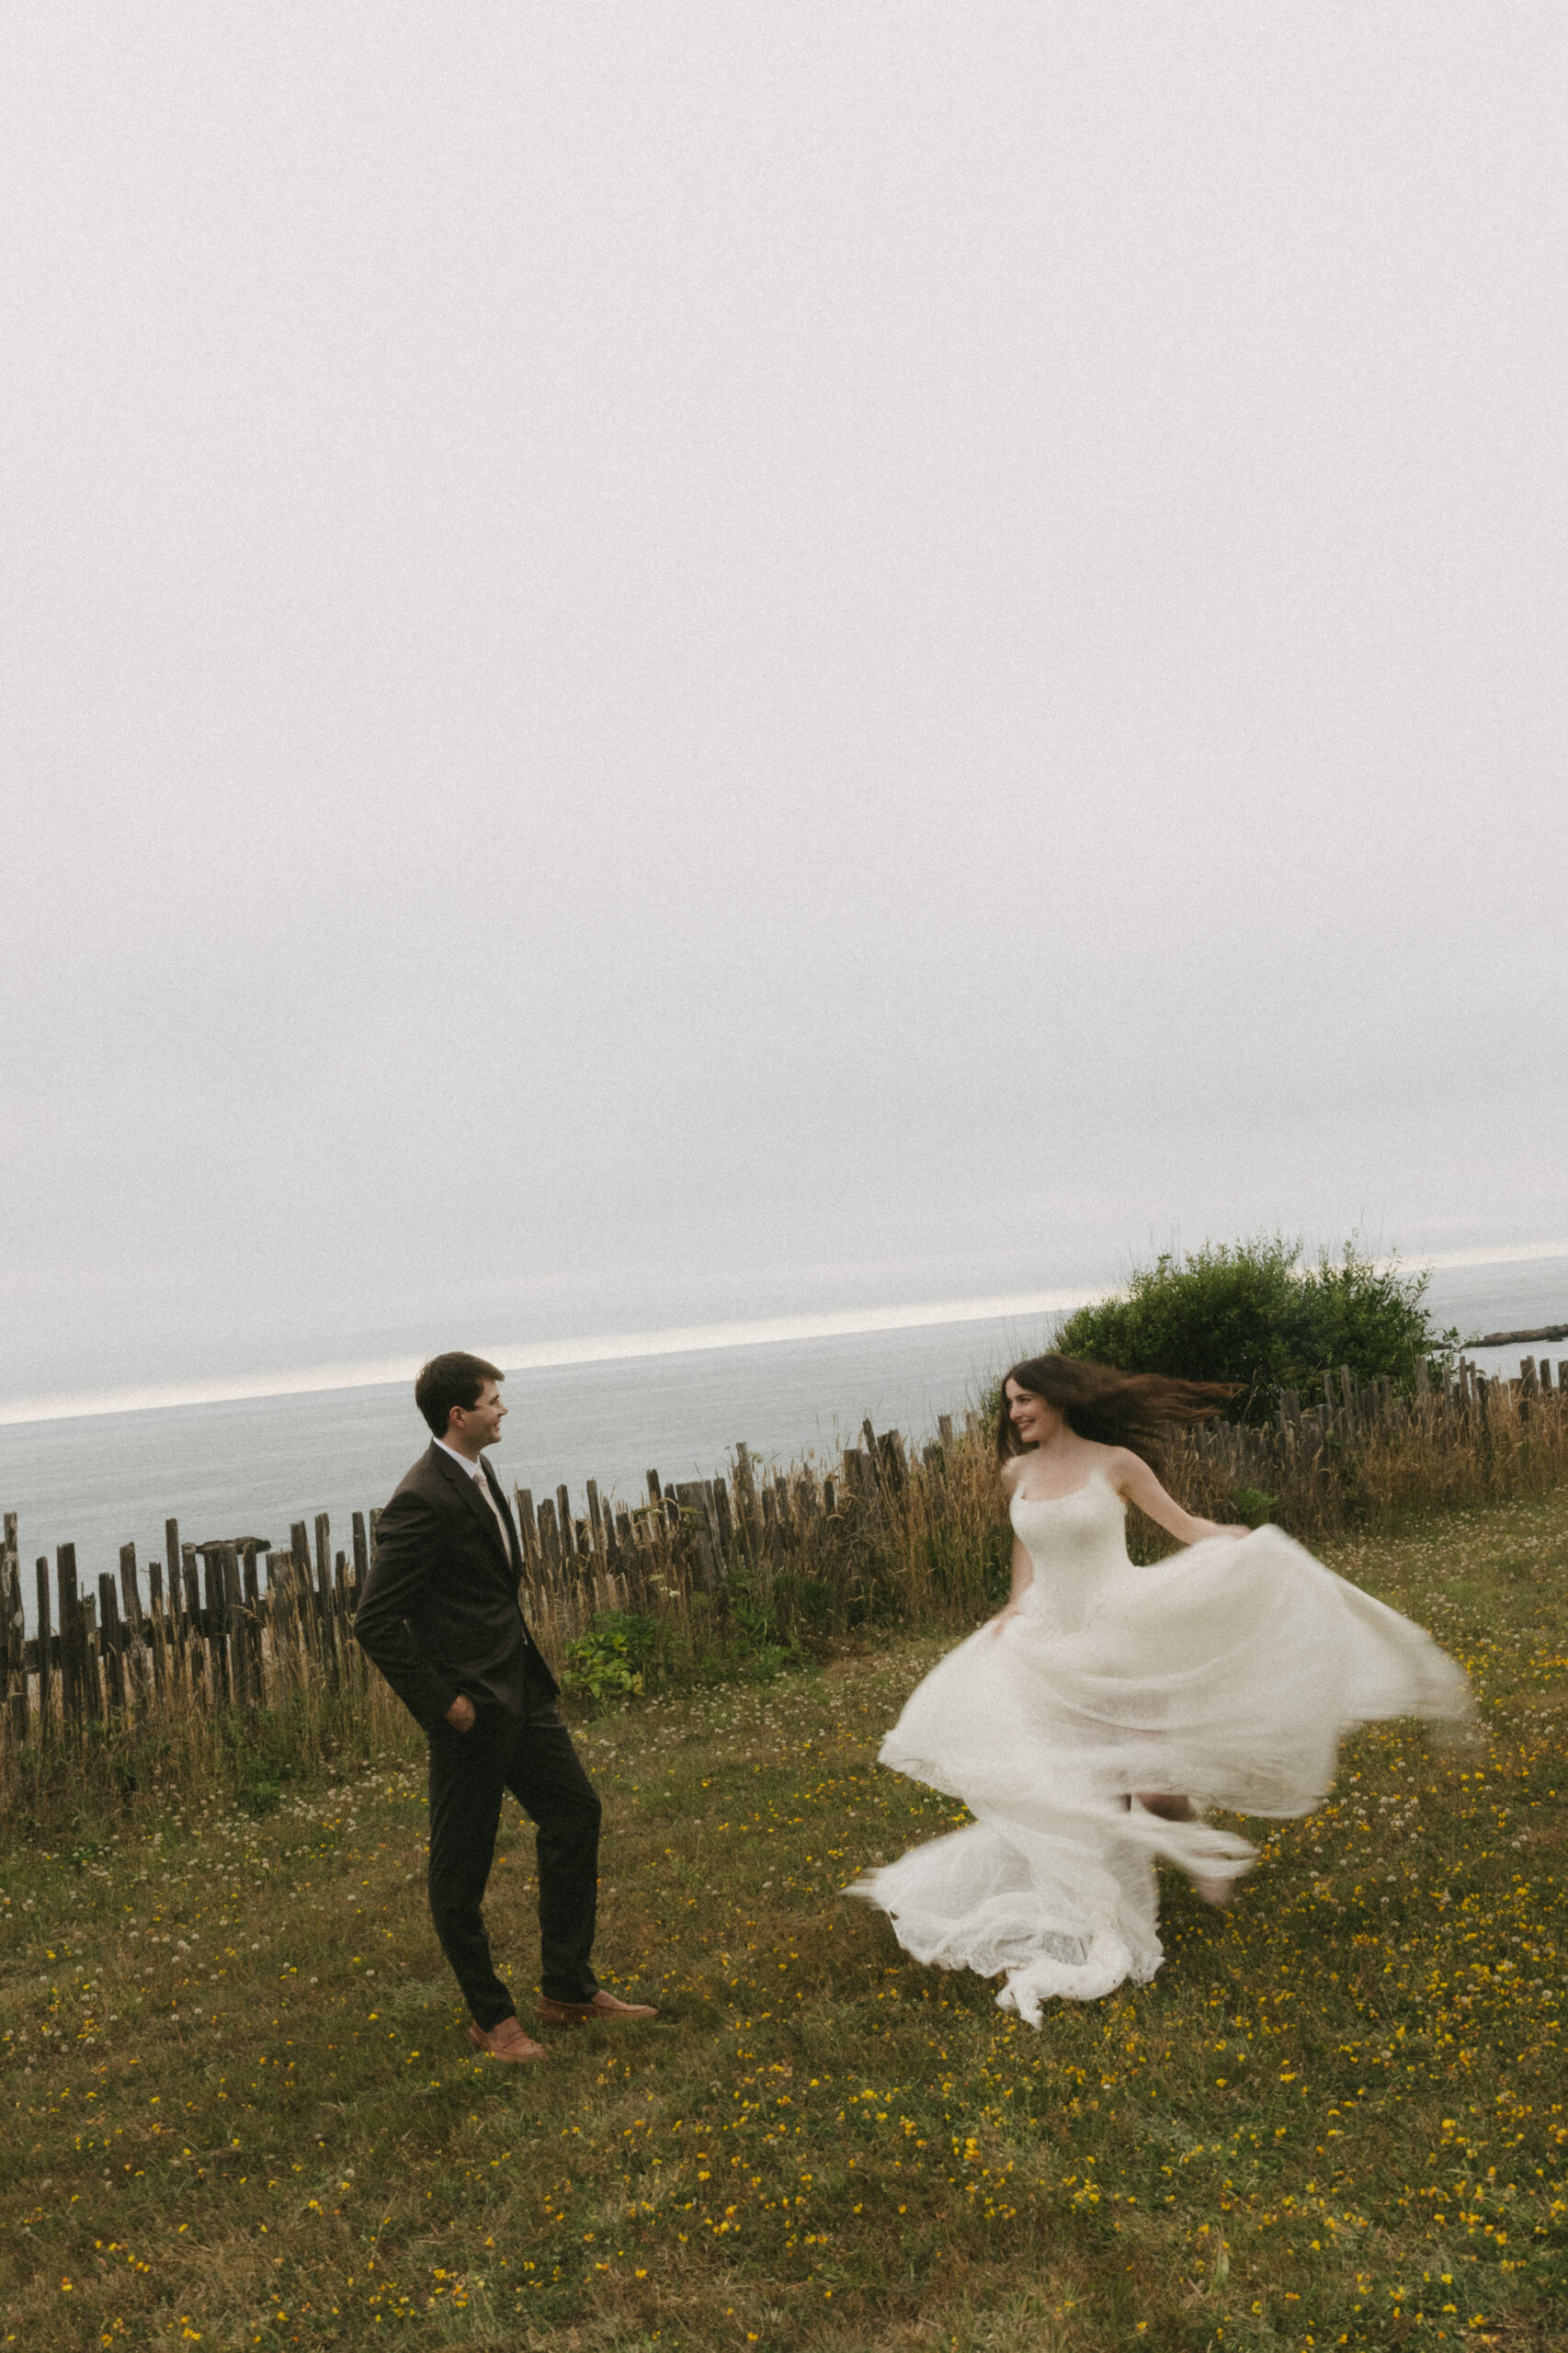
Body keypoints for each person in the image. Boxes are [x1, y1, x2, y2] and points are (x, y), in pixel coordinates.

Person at [851, 1352, 1471, 2025]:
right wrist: (1012, 1605)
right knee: (1089, 1792)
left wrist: (1237, 1544)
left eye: (1025, 1399)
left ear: (1059, 1398)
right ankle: (1102, 1916)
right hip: (1050, 1646)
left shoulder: (1115, 1462)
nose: (1016, 1414)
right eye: (1009, 1403)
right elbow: (1026, 1548)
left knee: (1152, 1789)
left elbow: (1183, 1526)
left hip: (1124, 1635)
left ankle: (1202, 1852)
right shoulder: (1018, 1473)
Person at [354, 1351, 656, 2063]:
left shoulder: (479, 1473)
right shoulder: (420, 1497)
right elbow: (374, 1621)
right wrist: (445, 1707)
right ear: (458, 1415)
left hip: (520, 1692)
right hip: (470, 1713)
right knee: (461, 1874)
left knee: (575, 1813)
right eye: (492, 1400)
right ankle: (493, 2019)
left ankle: (567, 1989)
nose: (503, 1409)